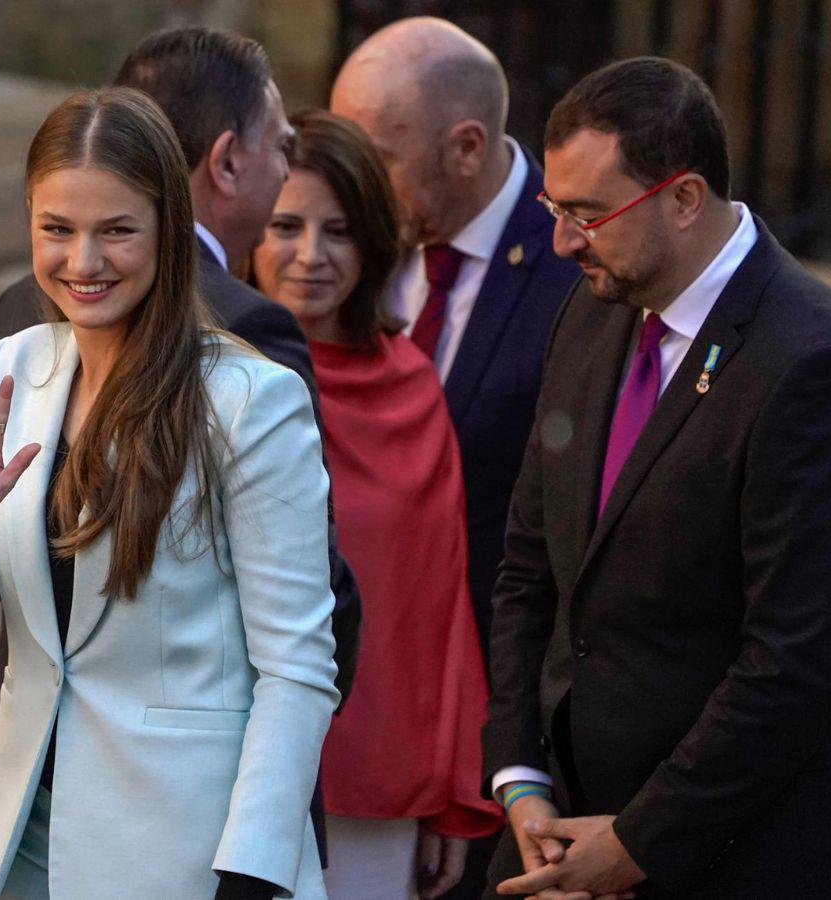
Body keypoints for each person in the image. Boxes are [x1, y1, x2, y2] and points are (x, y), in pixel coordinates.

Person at [0, 87, 338, 899]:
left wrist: (251, 872)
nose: (83, 263)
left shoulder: (250, 400)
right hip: (18, 837)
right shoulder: (19, 364)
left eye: (117, 230)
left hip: (185, 853)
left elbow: (296, 670)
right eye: (57, 229)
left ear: (166, 226)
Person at [481, 57, 831, 899]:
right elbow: (529, 570)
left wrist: (634, 843)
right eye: (554, 209)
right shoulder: (591, 308)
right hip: (552, 842)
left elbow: (794, 666)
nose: (559, 241)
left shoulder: (815, 364)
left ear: (685, 199)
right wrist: (521, 781)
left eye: (587, 214)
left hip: (732, 856)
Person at [250, 109, 504, 900]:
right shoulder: (210, 372)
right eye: (285, 225)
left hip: (377, 782)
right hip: (231, 766)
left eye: (340, 231)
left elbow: (441, 608)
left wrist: (456, 794)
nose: (311, 256)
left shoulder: (411, 384)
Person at [330, 17, 578, 665]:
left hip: (491, 666)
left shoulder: (576, 269)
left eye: (376, 159)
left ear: (467, 148)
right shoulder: (344, 245)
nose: (349, 187)